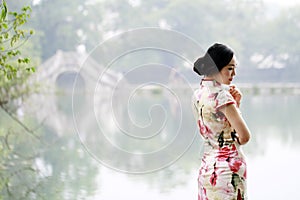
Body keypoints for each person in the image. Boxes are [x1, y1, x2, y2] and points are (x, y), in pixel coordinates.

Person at [192, 43, 251, 200]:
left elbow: (215, 128)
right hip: (228, 172)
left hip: (206, 169)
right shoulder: (222, 96)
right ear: (215, 67)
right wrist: (234, 105)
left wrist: (235, 105)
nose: (234, 73)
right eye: (230, 68)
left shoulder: (198, 95)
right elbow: (244, 136)